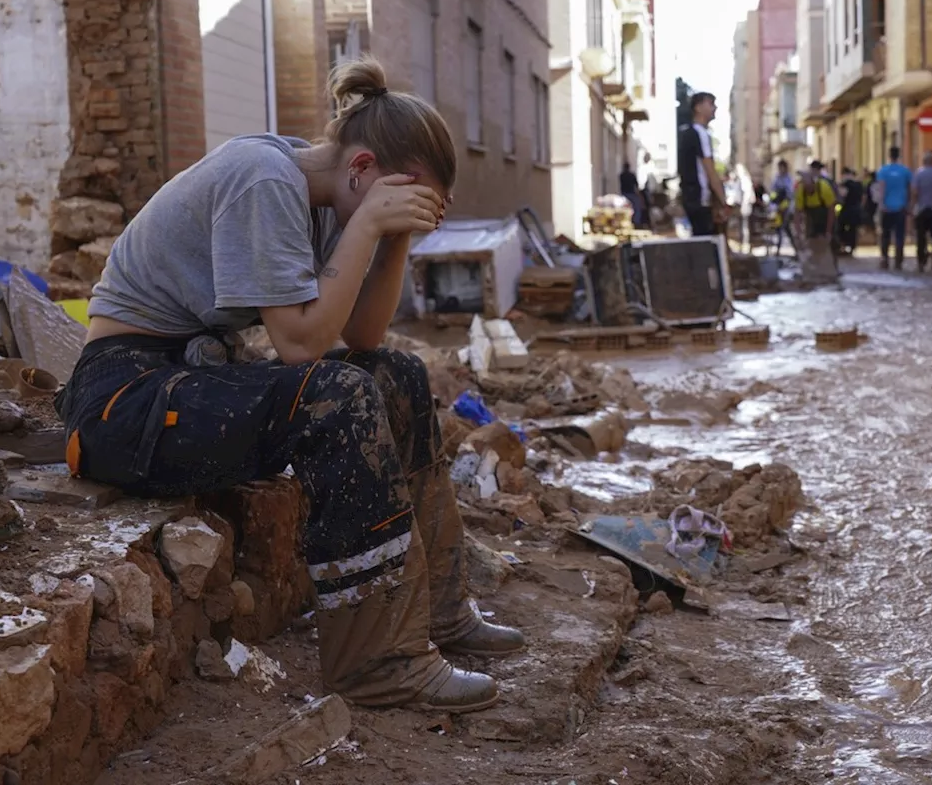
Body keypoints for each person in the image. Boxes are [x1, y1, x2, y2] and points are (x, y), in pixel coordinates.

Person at [58, 57, 523, 713]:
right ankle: (378, 662)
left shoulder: (331, 196)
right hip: (121, 400)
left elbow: (363, 337)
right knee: (337, 396)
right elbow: (300, 345)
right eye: (401, 194)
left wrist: (391, 239)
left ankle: (442, 612)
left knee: (396, 374)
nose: (403, 210)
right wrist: (367, 223)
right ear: (361, 168)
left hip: (192, 376)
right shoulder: (264, 180)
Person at [677, 91, 727, 236]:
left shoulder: (687, 134)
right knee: (706, 243)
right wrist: (722, 201)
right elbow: (709, 169)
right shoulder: (700, 133)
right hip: (700, 199)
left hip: (690, 197)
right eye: (711, 104)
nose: (714, 108)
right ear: (698, 107)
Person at [795, 160, 838, 281]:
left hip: (826, 216)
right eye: (806, 187)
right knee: (811, 243)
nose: (809, 190)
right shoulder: (801, 191)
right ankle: (814, 272)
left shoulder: (823, 187)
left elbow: (831, 210)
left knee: (830, 243)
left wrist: (828, 231)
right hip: (811, 218)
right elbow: (797, 214)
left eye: (810, 187)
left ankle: (832, 271)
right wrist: (798, 234)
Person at [875, 147, 914, 270]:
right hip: (901, 207)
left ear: (889, 155)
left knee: (885, 235)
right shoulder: (905, 171)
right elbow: (909, 189)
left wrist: (881, 204)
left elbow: (881, 188)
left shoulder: (883, 171)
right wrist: (909, 204)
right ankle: (898, 260)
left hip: (886, 208)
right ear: (899, 155)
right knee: (899, 235)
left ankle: (885, 259)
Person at [912, 151, 932, 273]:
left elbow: (915, 192)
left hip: (922, 210)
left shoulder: (919, 174)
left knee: (921, 237)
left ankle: (921, 263)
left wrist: (913, 207)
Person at [837, 168, 865, 255]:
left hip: (846, 210)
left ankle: (843, 245)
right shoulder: (859, 184)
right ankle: (852, 247)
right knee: (853, 229)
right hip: (856, 209)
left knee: (841, 228)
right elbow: (863, 198)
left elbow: (841, 197)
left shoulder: (845, 184)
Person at [620, 160, 646, 228]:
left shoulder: (621, 175)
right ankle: (636, 222)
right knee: (637, 207)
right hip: (631, 194)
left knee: (626, 208)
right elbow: (636, 186)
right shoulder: (631, 175)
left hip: (624, 194)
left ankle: (627, 221)